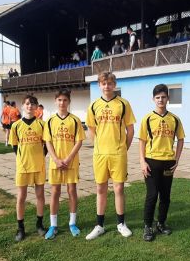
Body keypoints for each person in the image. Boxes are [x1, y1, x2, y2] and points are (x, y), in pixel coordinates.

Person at [85, 71, 136, 240]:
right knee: (100, 188)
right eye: (103, 83)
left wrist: (124, 148)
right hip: (100, 154)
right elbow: (91, 129)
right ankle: (99, 225)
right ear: (99, 85)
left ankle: (121, 224)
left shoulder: (123, 104)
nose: (107, 86)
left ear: (114, 85)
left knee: (119, 188)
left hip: (118, 153)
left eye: (109, 83)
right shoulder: (93, 106)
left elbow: (130, 129)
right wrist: (98, 146)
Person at [139, 84, 185, 242]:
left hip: (168, 163)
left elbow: (181, 139)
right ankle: (147, 226)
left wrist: (177, 159)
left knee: (165, 196)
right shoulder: (147, 118)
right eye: (157, 97)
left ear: (168, 98)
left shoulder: (175, 119)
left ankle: (161, 223)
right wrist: (142, 161)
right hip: (151, 162)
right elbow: (142, 141)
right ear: (153, 99)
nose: (160, 100)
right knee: (152, 195)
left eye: (163, 97)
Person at [44, 89, 83, 239]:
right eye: (59, 100)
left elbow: (79, 141)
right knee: (55, 193)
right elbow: (48, 141)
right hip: (55, 163)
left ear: (69, 102)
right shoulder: (50, 121)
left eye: (65, 100)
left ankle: (72, 223)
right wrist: (55, 159)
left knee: (72, 191)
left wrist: (68, 159)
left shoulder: (75, 120)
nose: (62, 103)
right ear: (55, 101)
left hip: (70, 162)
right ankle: (53, 225)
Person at [10, 95, 48, 241]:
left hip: (38, 165)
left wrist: (40, 157)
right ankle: (20, 228)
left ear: (37, 106)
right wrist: (21, 158)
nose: (30, 106)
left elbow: (46, 145)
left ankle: (39, 224)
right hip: (23, 166)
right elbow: (14, 145)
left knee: (40, 196)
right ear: (23, 106)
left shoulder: (42, 125)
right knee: (21, 197)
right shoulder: (16, 125)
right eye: (27, 104)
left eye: (33, 104)